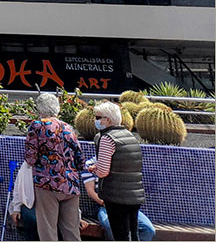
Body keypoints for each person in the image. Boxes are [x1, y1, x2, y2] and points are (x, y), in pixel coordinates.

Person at [25, 91, 86, 241]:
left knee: (48, 231)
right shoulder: (68, 127)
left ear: (39, 109)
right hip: (70, 184)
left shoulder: (37, 126)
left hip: (47, 184)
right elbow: (80, 158)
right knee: (71, 232)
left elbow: (30, 159)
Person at [88, 100, 146, 240]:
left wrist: (93, 169)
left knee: (121, 235)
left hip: (116, 195)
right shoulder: (130, 136)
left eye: (98, 117)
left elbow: (103, 171)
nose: (96, 121)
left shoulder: (107, 139)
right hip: (134, 194)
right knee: (133, 233)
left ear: (107, 119)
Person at [83, 168, 155, 241]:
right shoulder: (89, 165)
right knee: (110, 226)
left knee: (148, 229)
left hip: (125, 205)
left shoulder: (121, 162)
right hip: (105, 207)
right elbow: (91, 192)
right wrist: (106, 203)